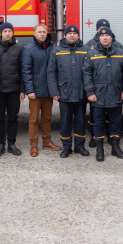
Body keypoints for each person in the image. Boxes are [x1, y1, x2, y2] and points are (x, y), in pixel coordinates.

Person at [83, 27, 123, 162]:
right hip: (98, 95)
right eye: (102, 36)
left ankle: (115, 147)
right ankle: (99, 149)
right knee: (98, 123)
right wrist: (90, 92)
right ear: (99, 37)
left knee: (115, 122)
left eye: (107, 35)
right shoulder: (91, 53)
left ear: (112, 38)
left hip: (116, 93)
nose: (105, 38)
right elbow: (86, 75)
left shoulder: (121, 53)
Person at [48, 25, 90, 158]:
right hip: (64, 93)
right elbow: (51, 72)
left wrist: (89, 91)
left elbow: (90, 72)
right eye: (69, 33)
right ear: (65, 36)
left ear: (78, 36)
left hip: (81, 93)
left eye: (75, 33)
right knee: (65, 121)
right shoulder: (57, 51)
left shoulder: (86, 50)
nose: (72, 35)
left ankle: (79, 146)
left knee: (80, 120)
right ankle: (66, 147)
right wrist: (54, 91)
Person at [21, 24, 61, 157]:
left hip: (48, 91)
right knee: (33, 120)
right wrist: (30, 90)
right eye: (40, 32)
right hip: (35, 92)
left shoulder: (51, 48)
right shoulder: (29, 50)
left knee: (47, 118)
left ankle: (47, 142)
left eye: (44, 32)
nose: (42, 34)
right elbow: (26, 71)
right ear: (34, 34)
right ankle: (33, 145)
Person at [0, 22, 24, 157]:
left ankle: (12, 144)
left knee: (13, 117)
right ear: (1, 33)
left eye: (10, 31)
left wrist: (22, 89)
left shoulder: (20, 48)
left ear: (13, 33)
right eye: (5, 31)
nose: (7, 33)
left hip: (14, 90)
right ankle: (0, 144)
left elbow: (22, 70)